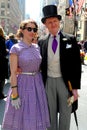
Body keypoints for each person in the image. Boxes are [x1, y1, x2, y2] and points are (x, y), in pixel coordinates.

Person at [38, 5, 81, 130]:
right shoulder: (42, 41)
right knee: (49, 114)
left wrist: (75, 89)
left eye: (55, 21)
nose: (53, 24)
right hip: (48, 82)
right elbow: (37, 62)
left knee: (65, 113)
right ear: (46, 24)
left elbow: (76, 66)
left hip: (65, 83)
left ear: (59, 21)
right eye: (49, 22)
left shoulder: (70, 39)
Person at [2, 19, 50, 130]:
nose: (32, 31)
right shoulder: (16, 48)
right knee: (21, 117)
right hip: (22, 85)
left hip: (37, 85)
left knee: (36, 115)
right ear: (22, 30)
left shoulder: (37, 47)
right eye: (29, 29)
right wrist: (14, 94)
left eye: (34, 29)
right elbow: (13, 73)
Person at [0, 26, 8, 99]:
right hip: (1, 62)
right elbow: (4, 52)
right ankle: (0, 94)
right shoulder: (2, 40)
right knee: (2, 78)